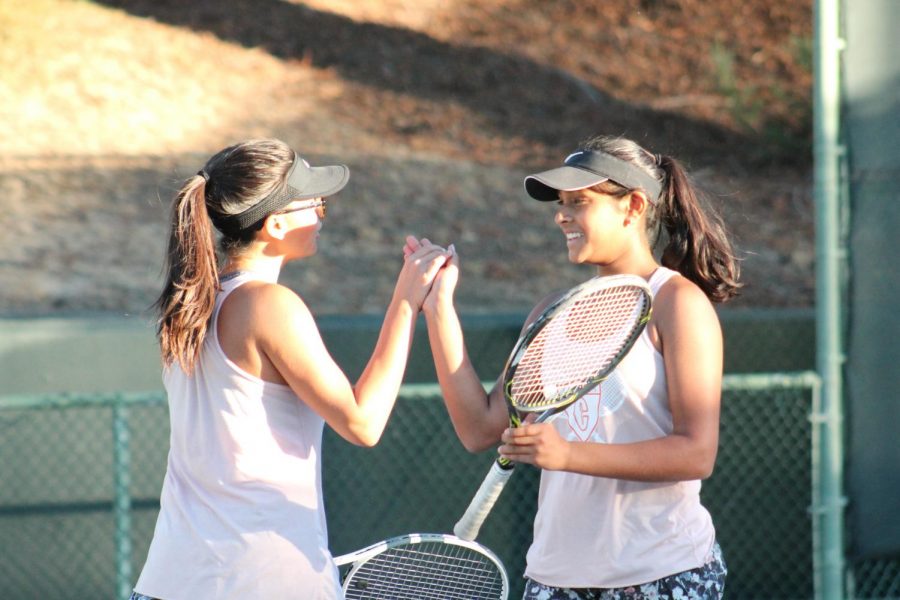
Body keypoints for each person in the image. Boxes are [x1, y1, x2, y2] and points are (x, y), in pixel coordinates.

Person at [410, 134, 740, 599]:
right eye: (560, 203)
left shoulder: (679, 303)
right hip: (554, 580)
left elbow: (696, 454)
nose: (561, 214)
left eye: (579, 202)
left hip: (661, 575)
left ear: (633, 207)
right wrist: (439, 309)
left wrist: (567, 455)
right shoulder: (552, 311)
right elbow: (480, 429)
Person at [130, 139, 450, 600]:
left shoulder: (189, 303)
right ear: (275, 224)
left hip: (167, 581)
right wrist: (405, 301)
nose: (322, 213)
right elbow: (363, 422)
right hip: (257, 583)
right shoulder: (268, 304)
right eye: (314, 203)